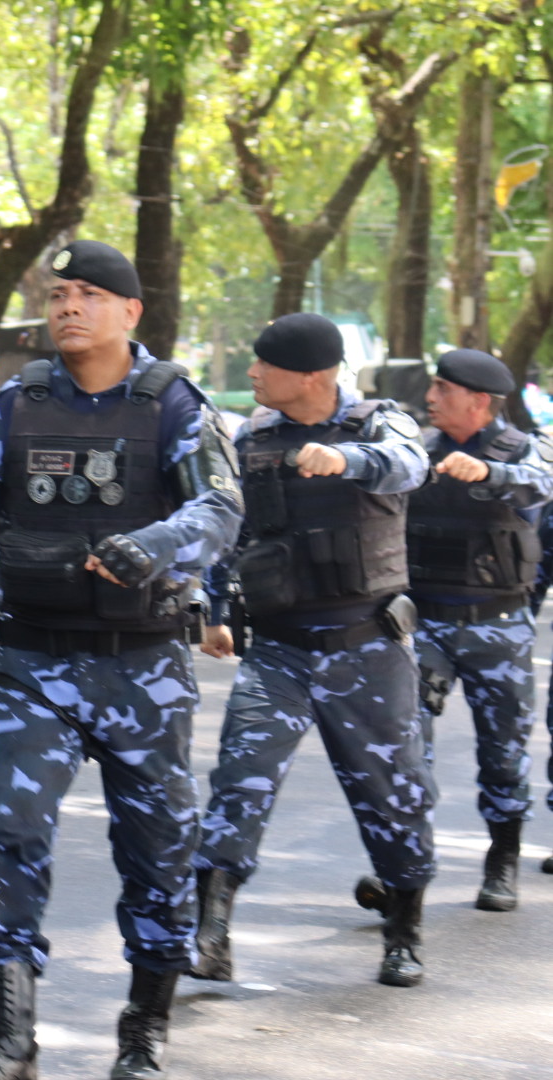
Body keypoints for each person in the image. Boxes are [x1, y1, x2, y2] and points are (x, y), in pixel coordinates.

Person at [0, 241, 242, 1080]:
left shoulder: (173, 406)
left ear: (131, 313)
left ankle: (144, 1032)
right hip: (34, 664)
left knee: (157, 854)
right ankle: (10, 1036)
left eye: (88, 294)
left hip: (144, 669)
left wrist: (154, 544)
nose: (68, 308)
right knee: (8, 838)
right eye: (58, 295)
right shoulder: (18, 404)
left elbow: (222, 507)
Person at [191, 312, 437, 993]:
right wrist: (211, 611)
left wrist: (348, 459)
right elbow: (225, 526)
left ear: (312, 376)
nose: (252, 373)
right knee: (239, 782)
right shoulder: (254, 438)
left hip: (368, 646)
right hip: (279, 651)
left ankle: (404, 933)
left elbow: (408, 467)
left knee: (394, 797)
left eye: (264, 364)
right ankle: (210, 934)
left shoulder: (380, 423)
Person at [387, 349, 553, 913]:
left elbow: (542, 484)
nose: (430, 397)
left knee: (503, 755)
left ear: (479, 401)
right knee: (407, 752)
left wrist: (491, 472)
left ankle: (502, 859)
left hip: (498, 627)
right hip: (425, 627)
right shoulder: (420, 453)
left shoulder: (523, 451)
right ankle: (404, 868)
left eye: (442, 389)